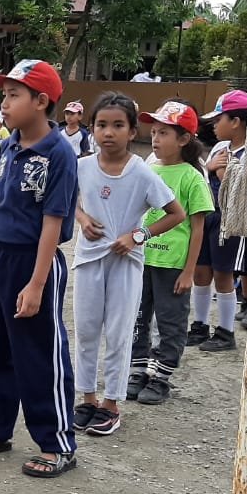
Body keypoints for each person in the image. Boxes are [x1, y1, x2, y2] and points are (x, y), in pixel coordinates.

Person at [0, 60, 79, 478]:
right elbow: (0, 200)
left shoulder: (59, 153)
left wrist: (36, 283)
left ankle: (56, 441)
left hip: (31, 260)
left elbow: (52, 220)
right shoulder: (9, 146)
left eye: (13, 95)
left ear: (41, 101)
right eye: (4, 94)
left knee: (38, 352)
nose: (4, 104)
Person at [71, 94, 184, 436]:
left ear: (132, 130)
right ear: (91, 129)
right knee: (87, 330)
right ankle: (88, 398)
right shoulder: (81, 167)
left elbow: (175, 214)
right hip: (89, 259)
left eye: (118, 125)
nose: (109, 133)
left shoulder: (142, 173)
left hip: (126, 263)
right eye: (102, 125)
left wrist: (138, 235)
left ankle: (111, 404)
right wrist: (82, 218)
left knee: (119, 333)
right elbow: (64, 201)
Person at [129, 100, 214, 405]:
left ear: (183, 139)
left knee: (170, 320)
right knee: (137, 316)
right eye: (154, 132)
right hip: (143, 259)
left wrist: (190, 270)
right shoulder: (148, 169)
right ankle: (137, 369)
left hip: (173, 264)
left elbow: (198, 227)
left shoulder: (192, 177)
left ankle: (162, 376)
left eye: (164, 133)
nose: (155, 138)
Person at [188, 90, 247, 353]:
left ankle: (225, 331)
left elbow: (245, 194)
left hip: (231, 221)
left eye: (219, 118)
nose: (214, 125)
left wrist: (219, 170)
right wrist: (211, 169)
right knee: (201, 271)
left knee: (223, 274)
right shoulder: (221, 148)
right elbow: (201, 177)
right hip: (209, 215)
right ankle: (199, 325)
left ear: (236, 121)